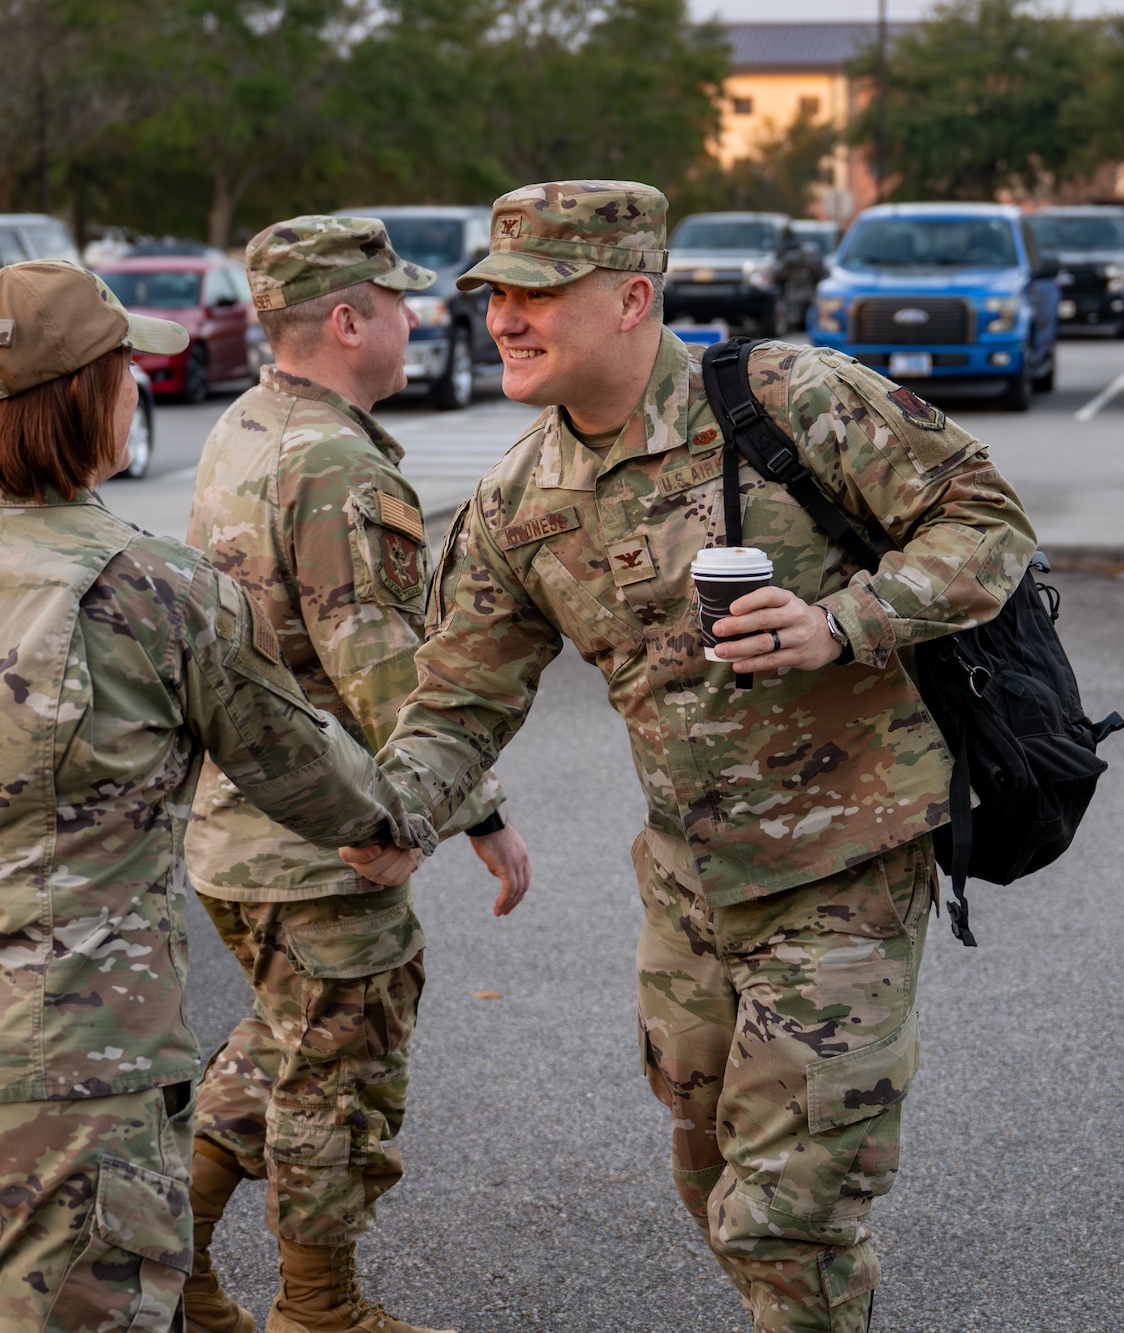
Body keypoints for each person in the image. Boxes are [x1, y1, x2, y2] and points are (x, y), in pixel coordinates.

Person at [340, 183, 1039, 1333]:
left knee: (788, 1212)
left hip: (844, 867)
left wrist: (843, 620)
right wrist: (395, 815)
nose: (504, 320)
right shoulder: (518, 499)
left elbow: (984, 520)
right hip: (688, 885)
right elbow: (458, 698)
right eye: (494, 296)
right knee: (708, 1177)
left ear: (629, 297)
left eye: (536, 294)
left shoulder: (785, 399)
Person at [0, 259, 436, 1333]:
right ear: (81, 397)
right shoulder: (153, 589)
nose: (139, 391)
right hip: (72, 1086)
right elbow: (302, 767)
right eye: (127, 371)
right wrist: (398, 821)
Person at [180, 216, 532, 1333]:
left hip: (239, 825)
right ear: (345, 320)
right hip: (324, 832)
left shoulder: (246, 426)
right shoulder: (330, 460)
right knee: (339, 1074)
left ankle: (165, 1270)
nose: (412, 321)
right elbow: (379, 665)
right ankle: (318, 1312)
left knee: (283, 1045)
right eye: (395, 304)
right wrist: (469, 812)